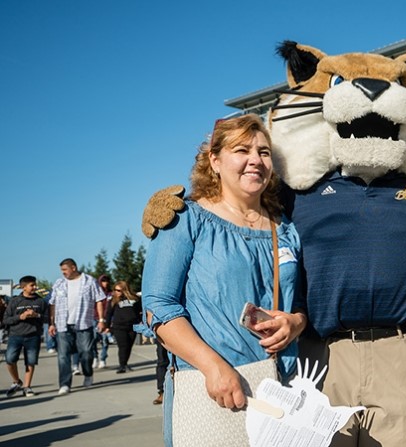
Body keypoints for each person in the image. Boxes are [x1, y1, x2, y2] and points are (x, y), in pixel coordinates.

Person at [141, 114, 306, 445]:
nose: (255, 161)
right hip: (211, 385)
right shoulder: (186, 220)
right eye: (241, 150)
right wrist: (212, 366)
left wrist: (296, 322)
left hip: (280, 387)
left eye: (263, 152)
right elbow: (158, 305)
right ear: (214, 161)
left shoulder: (286, 228)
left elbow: (300, 302)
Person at [48, 258, 107, 395]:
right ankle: (64, 384)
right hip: (63, 324)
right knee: (63, 356)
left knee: (86, 352)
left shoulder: (89, 281)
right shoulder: (59, 283)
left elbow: (99, 300)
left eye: (65, 270)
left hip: (84, 323)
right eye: (61, 271)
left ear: (73, 268)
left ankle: (88, 374)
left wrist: (101, 319)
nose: (63, 273)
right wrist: (52, 323)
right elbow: (53, 304)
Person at [4, 276, 49, 397]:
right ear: (23, 287)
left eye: (35, 285)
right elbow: (6, 320)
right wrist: (20, 317)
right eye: (32, 285)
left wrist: (36, 315)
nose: (35, 287)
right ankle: (16, 381)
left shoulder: (40, 301)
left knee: (30, 362)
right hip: (15, 335)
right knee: (9, 360)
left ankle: (27, 387)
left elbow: (47, 319)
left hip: (33, 336)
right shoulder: (14, 301)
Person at [104, 280, 142, 373]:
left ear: (125, 290)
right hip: (119, 326)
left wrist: (141, 321)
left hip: (133, 326)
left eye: (119, 290)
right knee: (123, 346)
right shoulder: (113, 300)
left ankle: (125, 363)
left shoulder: (135, 299)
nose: (116, 292)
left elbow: (140, 311)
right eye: (115, 290)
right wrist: (107, 326)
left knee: (129, 346)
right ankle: (122, 365)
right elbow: (109, 313)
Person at [94, 274, 113, 369]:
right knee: (93, 340)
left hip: (106, 319)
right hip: (95, 318)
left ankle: (103, 359)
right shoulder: (96, 292)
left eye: (107, 281)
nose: (105, 283)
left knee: (105, 341)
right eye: (103, 281)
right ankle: (94, 357)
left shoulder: (110, 294)